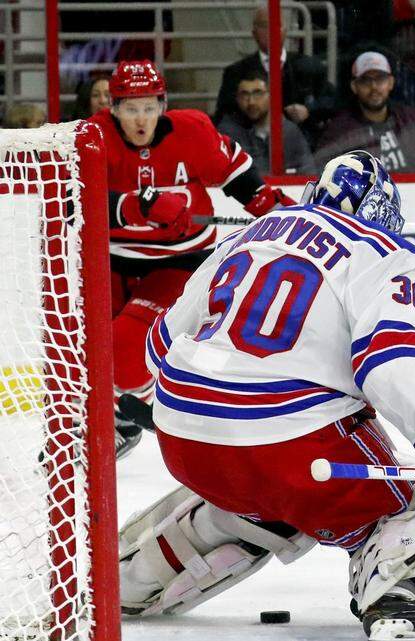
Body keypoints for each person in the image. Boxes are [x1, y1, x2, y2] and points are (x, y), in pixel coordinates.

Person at [117, 151, 415, 640]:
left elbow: (158, 346)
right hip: (292, 452)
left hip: (184, 440)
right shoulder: (381, 251)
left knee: (261, 498)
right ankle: (392, 588)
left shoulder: (247, 235)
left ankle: (138, 570)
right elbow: (400, 370)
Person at [86, 60, 294, 435]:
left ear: (163, 105)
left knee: (124, 352)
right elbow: (74, 199)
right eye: (131, 108)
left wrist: (277, 209)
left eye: (149, 107)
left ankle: (137, 407)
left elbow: (236, 175)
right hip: (111, 264)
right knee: (85, 356)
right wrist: (138, 205)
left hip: (179, 262)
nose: (140, 119)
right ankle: (109, 420)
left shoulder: (191, 130)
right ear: (112, 108)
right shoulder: (93, 137)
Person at [214, 6, 338, 144]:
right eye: (264, 26)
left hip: (302, 145)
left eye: (277, 25)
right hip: (253, 146)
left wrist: (309, 110)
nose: (271, 31)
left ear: (285, 30)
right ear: (254, 33)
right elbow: (223, 116)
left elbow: (332, 102)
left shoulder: (309, 66)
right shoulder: (236, 72)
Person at [316, 52, 415, 171]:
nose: (374, 87)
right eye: (365, 80)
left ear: (391, 83)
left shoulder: (410, 118)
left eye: (380, 79)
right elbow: (324, 173)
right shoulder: (339, 130)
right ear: (354, 86)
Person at [217, 67, 317, 176]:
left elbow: (308, 173)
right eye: (244, 95)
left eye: (257, 93)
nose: (251, 102)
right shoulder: (229, 132)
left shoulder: (289, 131)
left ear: (271, 95)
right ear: (237, 99)